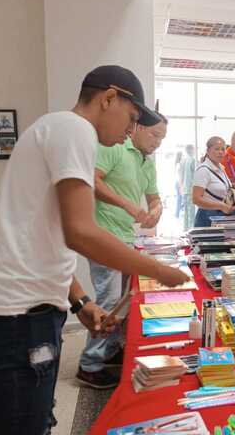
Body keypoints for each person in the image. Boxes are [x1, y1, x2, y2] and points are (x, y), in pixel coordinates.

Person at [0, 65, 189, 435]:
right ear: (108, 97)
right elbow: (80, 233)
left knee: (37, 419)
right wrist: (160, 270)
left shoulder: (58, 128)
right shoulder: (75, 129)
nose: (130, 131)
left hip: (24, 308)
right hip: (15, 316)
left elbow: (44, 240)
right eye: (130, 119)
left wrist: (81, 302)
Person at [77, 113, 168, 388]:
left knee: (125, 298)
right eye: (154, 135)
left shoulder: (146, 161)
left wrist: (156, 210)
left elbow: (154, 198)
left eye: (162, 138)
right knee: (108, 299)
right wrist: (127, 205)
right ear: (138, 128)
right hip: (104, 236)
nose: (157, 143)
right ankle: (89, 365)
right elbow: (93, 181)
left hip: (126, 237)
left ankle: (111, 350)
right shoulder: (114, 147)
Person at [192, 136, 235, 227]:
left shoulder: (221, 168)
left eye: (223, 149)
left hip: (221, 216)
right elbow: (196, 199)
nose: (220, 152)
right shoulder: (203, 170)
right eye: (217, 149)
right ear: (208, 151)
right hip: (207, 217)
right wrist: (221, 206)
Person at [179, 144, 196, 231]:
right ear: (192, 150)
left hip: (184, 189)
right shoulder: (192, 160)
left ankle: (185, 230)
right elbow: (196, 176)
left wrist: (180, 187)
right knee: (191, 213)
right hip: (191, 189)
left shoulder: (183, 160)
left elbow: (180, 175)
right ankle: (191, 230)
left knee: (185, 212)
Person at [174, 151, 183, 219]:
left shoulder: (177, 164)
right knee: (179, 199)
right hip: (178, 183)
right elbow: (179, 176)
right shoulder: (179, 164)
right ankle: (176, 214)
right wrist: (181, 187)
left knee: (179, 199)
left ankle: (177, 213)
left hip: (177, 183)